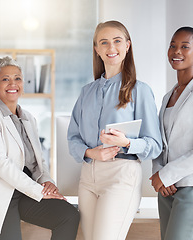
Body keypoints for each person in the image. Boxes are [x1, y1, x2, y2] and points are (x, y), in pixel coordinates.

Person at [0, 56, 80, 240]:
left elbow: (38, 161)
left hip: (23, 191)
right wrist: (38, 191)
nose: (12, 83)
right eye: (5, 79)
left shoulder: (29, 118)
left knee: (68, 215)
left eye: (17, 78)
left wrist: (47, 182)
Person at [67, 20, 162, 240]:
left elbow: (155, 145)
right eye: (104, 42)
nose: (111, 48)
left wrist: (127, 142)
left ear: (127, 46)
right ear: (96, 49)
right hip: (88, 178)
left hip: (121, 175)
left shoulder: (140, 90)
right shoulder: (86, 92)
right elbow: (72, 137)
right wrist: (91, 153)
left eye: (117, 41)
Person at [150, 27, 193, 240]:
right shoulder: (167, 97)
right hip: (167, 189)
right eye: (173, 45)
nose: (176, 51)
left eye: (184, 46)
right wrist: (159, 173)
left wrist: (166, 174)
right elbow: (160, 142)